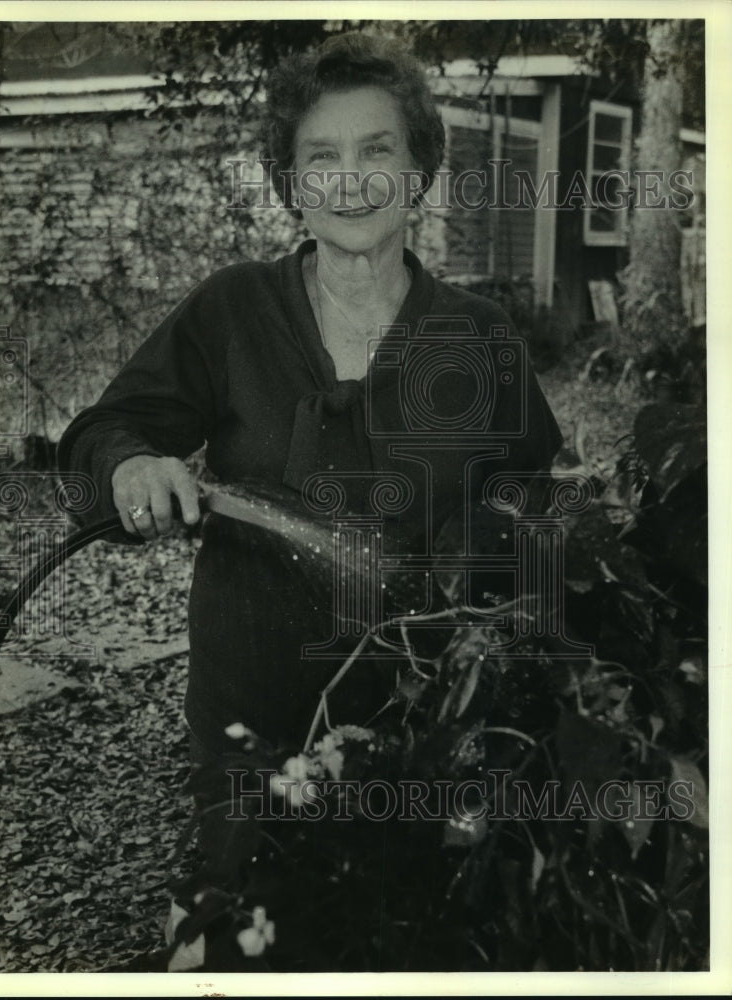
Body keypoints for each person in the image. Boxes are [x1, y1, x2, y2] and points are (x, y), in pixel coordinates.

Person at [58, 30, 562, 866]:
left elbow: (534, 502)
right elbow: (103, 434)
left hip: (424, 738)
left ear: (419, 172)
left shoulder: (477, 335)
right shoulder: (234, 311)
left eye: (377, 149)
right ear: (293, 185)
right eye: (321, 156)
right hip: (252, 733)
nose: (352, 180)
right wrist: (132, 466)